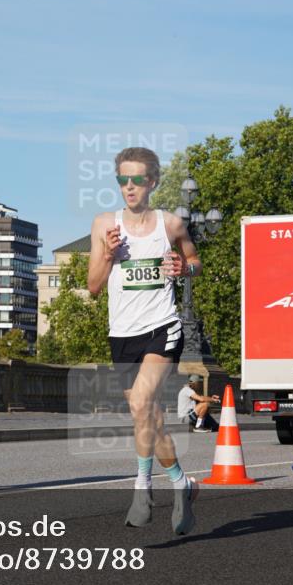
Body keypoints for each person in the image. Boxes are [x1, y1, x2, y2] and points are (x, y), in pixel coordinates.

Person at [88, 146, 201, 535]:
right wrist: (108, 253)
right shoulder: (105, 224)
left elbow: (194, 260)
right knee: (148, 416)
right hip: (122, 334)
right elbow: (92, 286)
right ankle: (182, 483)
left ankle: (141, 489)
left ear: (152, 182)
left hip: (162, 327)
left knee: (139, 403)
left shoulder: (169, 224)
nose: (130, 187)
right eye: (123, 180)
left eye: (137, 180)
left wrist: (183, 267)